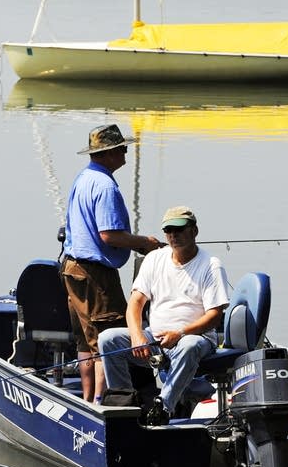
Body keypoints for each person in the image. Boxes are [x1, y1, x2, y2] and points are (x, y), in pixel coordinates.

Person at [98, 206, 230, 425]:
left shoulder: (211, 265)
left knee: (189, 346)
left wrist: (179, 333)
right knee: (108, 339)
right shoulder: (154, 259)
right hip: (155, 337)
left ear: (194, 231)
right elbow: (135, 304)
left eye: (179, 230)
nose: (173, 235)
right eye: (168, 230)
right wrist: (137, 335)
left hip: (195, 337)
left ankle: (163, 407)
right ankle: (125, 405)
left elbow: (215, 315)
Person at [61, 124, 162, 402]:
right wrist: (144, 242)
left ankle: (86, 398)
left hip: (72, 269)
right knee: (109, 339)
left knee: (85, 340)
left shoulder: (83, 178)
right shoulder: (105, 186)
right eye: (121, 148)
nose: (126, 152)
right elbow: (110, 235)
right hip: (96, 275)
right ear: (107, 153)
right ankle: (100, 403)